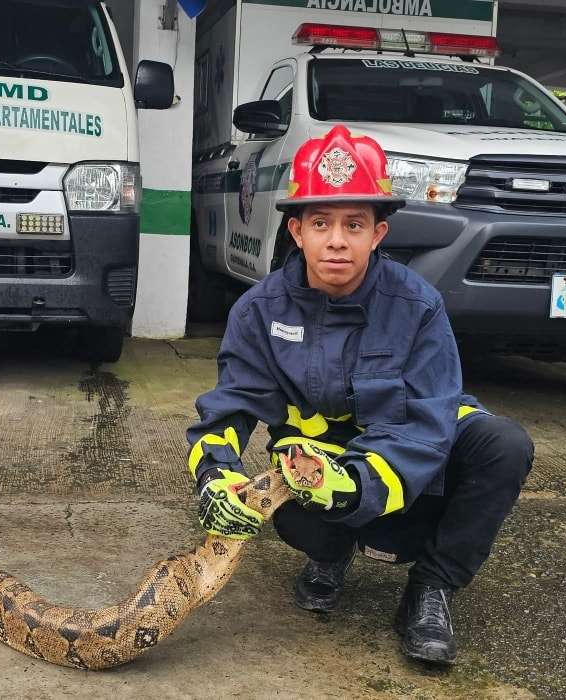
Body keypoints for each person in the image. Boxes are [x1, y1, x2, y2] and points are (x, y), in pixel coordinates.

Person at [187, 125, 534, 664]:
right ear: (296, 231)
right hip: (321, 474)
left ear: (378, 234)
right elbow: (230, 407)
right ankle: (330, 555)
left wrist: (354, 486)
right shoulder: (259, 311)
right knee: (299, 515)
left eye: (354, 224)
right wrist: (215, 474)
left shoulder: (418, 305)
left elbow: (428, 421)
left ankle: (433, 587)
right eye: (320, 223)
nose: (337, 240)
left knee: (504, 445)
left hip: (408, 467)